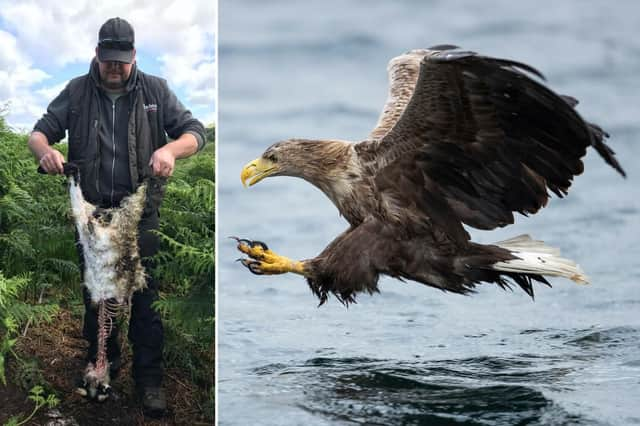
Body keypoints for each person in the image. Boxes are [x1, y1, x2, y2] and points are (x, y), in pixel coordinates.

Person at [28, 17, 206, 417]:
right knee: (95, 297)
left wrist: (170, 151)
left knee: (145, 299)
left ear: (134, 56)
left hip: (141, 213)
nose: (114, 67)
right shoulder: (76, 92)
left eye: (121, 61)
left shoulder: (156, 91)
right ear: (97, 55)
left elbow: (195, 131)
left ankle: (149, 381)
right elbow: (39, 133)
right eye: (108, 59)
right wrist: (44, 152)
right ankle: (102, 366)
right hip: (91, 218)